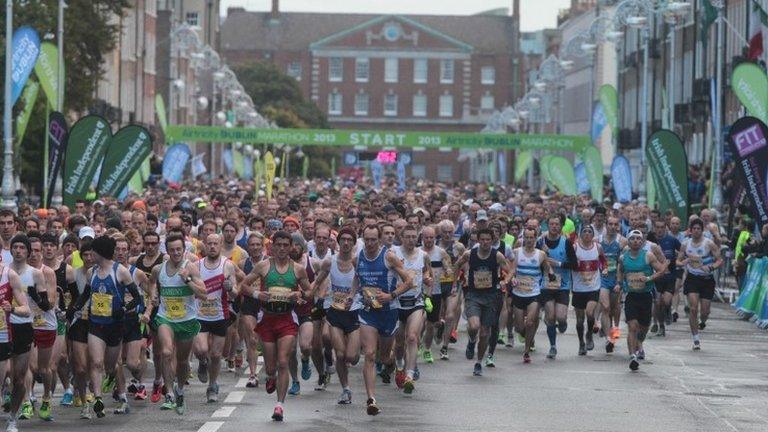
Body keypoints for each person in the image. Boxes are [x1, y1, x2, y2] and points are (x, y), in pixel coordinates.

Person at [241, 231, 312, 421]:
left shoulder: (298, 269)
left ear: (291, 247)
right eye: (278, 245)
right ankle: (271, 377)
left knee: (283, 361)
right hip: (267, 319)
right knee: (271, 367)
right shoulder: (263, 266)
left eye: (285, 245)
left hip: (287, 319)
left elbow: (309, 292)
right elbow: (244, 286)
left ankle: (279, 405)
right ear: (272, 247)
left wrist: (298, 294)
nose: (281, 248)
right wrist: (257, 295)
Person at [68, 235, 142, 418]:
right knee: (95, 362)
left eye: (92, 250)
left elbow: (137, 298)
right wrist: (75, 308)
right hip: (96, 325)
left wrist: (124, 309)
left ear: (100, 252)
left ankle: (111, 380)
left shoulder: (120, 271)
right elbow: (85, 295)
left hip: (115, 326)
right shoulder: (91, 273)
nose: (89, 254)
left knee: (110, 366)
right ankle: (98, 398)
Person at [355, 224, 412, 416]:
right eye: (366, 239)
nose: (370, 243)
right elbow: (357, 277)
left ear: (379, 240)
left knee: (384, 356)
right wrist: (352, 294)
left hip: (388, 311)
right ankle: (371, 399)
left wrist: (392, 295)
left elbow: (409, 281)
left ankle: (391, 364)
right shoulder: (359, 256)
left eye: (373, 239)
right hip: (368, 311)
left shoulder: (388, 257)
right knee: (370, 354)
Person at [149, 234, 207, 415]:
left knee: (182, 362)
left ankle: (180, 389)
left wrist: (187, 280)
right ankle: (169, 393)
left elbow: (204, 294)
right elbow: (151, 283)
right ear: (167, 250)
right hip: (165, 318)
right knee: (165, 352)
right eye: (172, 250)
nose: (175, 253)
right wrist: (153, 294)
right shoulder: (159, 269)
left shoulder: (190, 268)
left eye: (179, 249)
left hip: (186, 321)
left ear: (184, 250)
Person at [452, 227, 511, 377]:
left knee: (485, 333)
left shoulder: (497, 255)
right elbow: (457, 265)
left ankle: (478, 362)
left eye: (488, 240)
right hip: (473, 295)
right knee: (474, 326)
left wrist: (506, 281)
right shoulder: (470, 254)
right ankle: (472, 340)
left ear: (492, 241)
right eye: (482, 240)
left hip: (491, 297)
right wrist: (454, 283)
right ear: (478, 240)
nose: (485, 243)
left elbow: (509, 270)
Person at [311, 227, 360, 405]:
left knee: (352, 357)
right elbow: (316, 282)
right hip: (334, 312)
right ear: (338, 242)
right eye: (343, 240)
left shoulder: (358, 262)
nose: (346, 243)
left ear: (354, 243)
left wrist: (355, 296)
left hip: (354, 312)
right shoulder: (330, 262)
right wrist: (305, 294)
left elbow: (366, 283)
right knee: (340, 355)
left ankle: (354, 349)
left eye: (349, 240)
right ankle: (345, 389)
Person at [193, 234, 237, 403]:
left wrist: (230, 288)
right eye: (209, 243)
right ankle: (203, 362)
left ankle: (212, 386)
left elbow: (236, 292)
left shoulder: (228, 265)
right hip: (200, 314)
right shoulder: (197, 265)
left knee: (217, 355)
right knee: (202, 349)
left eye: (215, 243)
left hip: (220, 314)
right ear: (205, 245)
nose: (212, 246)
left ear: (220, 245)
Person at [615, 230, 667, 371]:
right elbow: (620, 270)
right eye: (633, 239)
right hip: (631, 296)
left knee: (643, 328)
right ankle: (632, 356)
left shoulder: (648, 256)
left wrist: (649, 278)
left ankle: (639, 342)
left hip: (645, 296)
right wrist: (619, 283)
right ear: (628, 241)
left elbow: (661, 270)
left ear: (642, 241)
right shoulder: (623, 257)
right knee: (632, 327)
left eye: (639, 239)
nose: (636, 241)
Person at [392, 225, 431, 394]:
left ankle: (409, 374)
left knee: (413, 337)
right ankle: (400, 364)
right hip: (397, 302)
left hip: (416, 302)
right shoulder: (393, 253)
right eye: (407, 236)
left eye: (413, 236)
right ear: (401, 237)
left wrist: (428, 288)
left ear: (418, 238)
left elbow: (429, 274)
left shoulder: (423, 255)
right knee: (399, 343)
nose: (410, 240)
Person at [677, 219, 723, 350]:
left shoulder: (709, 244)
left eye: (699, 228)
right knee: (693, 308)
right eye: (694, 228)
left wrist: (711, 267)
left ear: (702, 230)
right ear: (690, 230)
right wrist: (684, 262)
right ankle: (695, 339)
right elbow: (677, 261)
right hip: (692, 279)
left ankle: (702, 321)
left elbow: (720, 260)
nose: (696, 231)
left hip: (707, 280)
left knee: (705, 311)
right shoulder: (685, 244)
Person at [508, 228, 552, 363]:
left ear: (535, 238)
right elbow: (512, 270)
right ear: (523, 239)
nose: (528, 240)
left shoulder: (541, 254)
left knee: (531, 322)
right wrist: (512, 278)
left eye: (531, 237)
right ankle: (527, 337)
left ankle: (526, 351)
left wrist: (550, 274)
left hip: (534, 293)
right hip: (518, 293)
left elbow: (547, 267)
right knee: (520, 327)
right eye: (526, 237)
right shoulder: (516, 252)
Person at [537, 215, 576, 360]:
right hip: (546, 285)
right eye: (551, 224)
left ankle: (563, 323)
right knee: (550, 316)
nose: (554, 226)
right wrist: (544, 255)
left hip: (563, 285)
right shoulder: (540, 242)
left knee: (560, 317)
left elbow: (574, 264)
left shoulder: (566, 242)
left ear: (561, 226)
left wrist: (558, 264)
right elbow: (534, 260)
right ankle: (553, 346)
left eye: (557, 224)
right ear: (548, 225)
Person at [0, 259, 31, 432]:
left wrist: (11, 308)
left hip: (7, 334)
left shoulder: (9, 275)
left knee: (19, 380)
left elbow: (26, 309)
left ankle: (12, 418)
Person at [571, 225, 604, 356]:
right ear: (580, 234)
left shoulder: (598, 247)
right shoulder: (575, 248)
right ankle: (581, 343)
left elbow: (603, 260)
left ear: (593, 234)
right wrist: (575, 263)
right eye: (584, 231)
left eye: (590, 231)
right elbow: (570, 263)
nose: (587, 234)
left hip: (593, 287)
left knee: (590, 313)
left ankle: (589, 334)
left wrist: (604, 268)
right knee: (579, 320)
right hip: (578, 288)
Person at [599, 217, 626, 353]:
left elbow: (623, 264)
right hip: (602, 279)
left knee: (615, 308)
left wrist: (620, 282)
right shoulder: (598, 240)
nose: (612, 226)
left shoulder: (622, 241)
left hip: (616, 278)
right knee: (606, 307)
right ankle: (609, 339)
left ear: (618, 226)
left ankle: (615, 329)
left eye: (616, 224)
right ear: (606, 225)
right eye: (610, 224)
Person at [650, 220, 681, 337]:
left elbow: (682, 250)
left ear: (666, 228)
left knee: (666, 301)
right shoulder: (650, 241)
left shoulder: (672, 240)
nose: (660, 229)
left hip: (669, 276)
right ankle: (660, 325)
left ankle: (668, 310)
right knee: (657, 302)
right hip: (655, 277)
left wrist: (681, 260)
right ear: (654, 228)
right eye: (657, 227)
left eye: (662, 227)